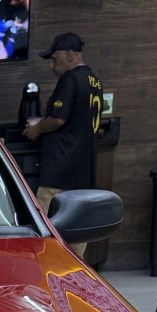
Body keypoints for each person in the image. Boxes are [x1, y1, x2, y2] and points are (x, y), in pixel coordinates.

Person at [23, 32, 104, 223]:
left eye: (54, 59)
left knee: (45, 225)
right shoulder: (95, 81)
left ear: (69, 54)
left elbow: (58, 119)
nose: (51, 66)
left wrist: (37, 129)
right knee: (76, 226)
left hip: (60, 170)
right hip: (83, 171)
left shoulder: (71, 78)